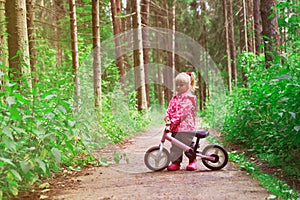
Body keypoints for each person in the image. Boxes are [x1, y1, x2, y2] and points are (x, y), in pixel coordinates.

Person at [164, 72, 197, 171]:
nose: (178, 87)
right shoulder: (175, 98)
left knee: (187, 145)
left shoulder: (189, 98)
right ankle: (176, 162)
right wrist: (167, 116)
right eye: (177, 85)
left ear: (188, 85)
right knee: (175, 145)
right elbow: (170, 108)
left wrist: (173, 121)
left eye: (181, 85)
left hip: (186, 127)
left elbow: (183, 113)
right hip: (175, 127)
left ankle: (192, 161)